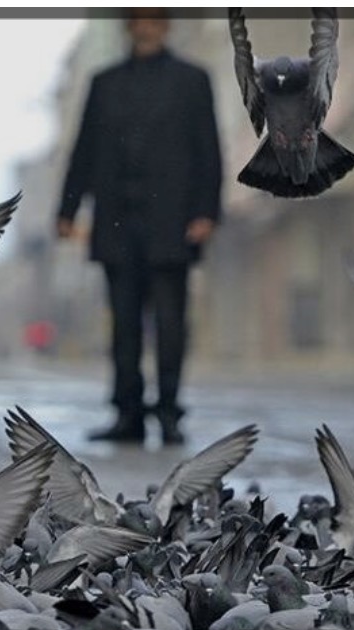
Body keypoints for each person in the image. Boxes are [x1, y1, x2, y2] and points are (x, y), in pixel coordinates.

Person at [56, 8, 222, 446]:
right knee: (124, 326)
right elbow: (84, 149)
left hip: (173, 221)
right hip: (116, 221)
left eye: (154, 18)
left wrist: (207, 211)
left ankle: (169, 412)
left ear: (166, 25)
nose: (146, 26)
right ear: (127, 26)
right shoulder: (103, 82)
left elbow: (209, 148)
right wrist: (67, 210)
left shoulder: (192, 80)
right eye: (138, 19)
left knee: (170, 325)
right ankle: (127, 415)